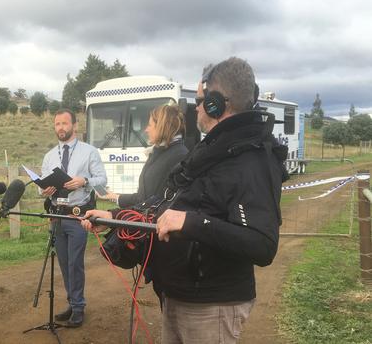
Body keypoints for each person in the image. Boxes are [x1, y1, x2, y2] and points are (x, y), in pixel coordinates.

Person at [82, 57, 288, 343]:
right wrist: (114, 217)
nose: (196, 109)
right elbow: (165, 201)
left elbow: (263, 244)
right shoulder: (211, 150)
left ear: (217, 103)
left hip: (211, 305)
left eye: (201, 101)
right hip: (178, 293)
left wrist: (192, 223)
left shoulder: (252, 159)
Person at [40, 109, 107, 328]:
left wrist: (84, 181)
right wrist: (45, 190)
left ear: (75, 126)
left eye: (64, 123)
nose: (60, 127)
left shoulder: (89, 152)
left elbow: (102, 180)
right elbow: (42, 186)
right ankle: (72, 303)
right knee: (64, 263)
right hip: (56, 216)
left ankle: (78, 308)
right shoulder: (50, 156)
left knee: (75, 263)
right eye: (57, 124)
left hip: (78, 215)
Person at [97, 104, 188, 208]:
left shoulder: (178, 156)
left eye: (149, 125)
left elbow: (155, 201)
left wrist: (114, 214)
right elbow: (144, 197)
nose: (146, 130)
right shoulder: (163, 151)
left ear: (162, 126)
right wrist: (113, 196)